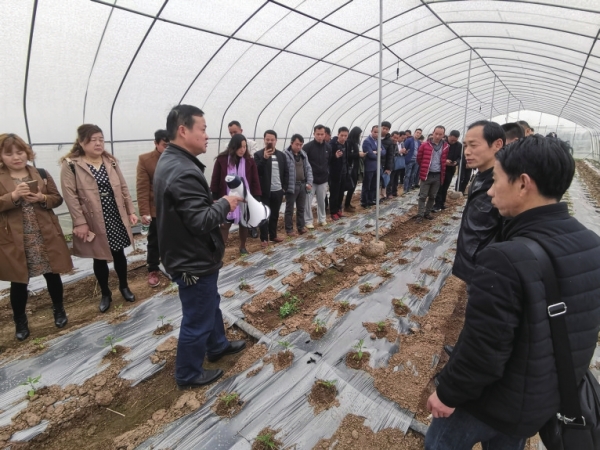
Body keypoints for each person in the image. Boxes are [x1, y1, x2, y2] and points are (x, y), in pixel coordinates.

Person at [425, 135, 600, 450]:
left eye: (495, 180)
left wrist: (447, 394)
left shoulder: (506, 258)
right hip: (540, 402)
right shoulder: (592, 245)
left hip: (490, 404)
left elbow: (484, 350)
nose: (490, 190)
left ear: (523, 184)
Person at [154, 104, 246, 388]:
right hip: (191, 259)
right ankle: (188, 373)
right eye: (203, 129)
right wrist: (225, 202)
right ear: (183, 131)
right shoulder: (182, 170)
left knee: (209, 304)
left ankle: (217, 345)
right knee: (197, 318)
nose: (207, 136)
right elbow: (199, 220)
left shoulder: (173, 161)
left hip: (188, 254)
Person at [0, 133, 72, 341]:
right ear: (2, 156)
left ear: (27, 152)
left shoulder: (40, 173)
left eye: (20, 151)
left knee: (52, 274)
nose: (16, 157)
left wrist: (42, 198)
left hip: (43, 235)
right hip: (16, 239)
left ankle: (59, 310)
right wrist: (12, 197)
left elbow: (57, 199)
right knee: (19, 281)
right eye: (9, 153)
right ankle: (20, 321)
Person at [61, 124, 138, 313]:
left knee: (119, 253)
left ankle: (124, 286)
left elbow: (123, 187)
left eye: (101, 139)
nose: (98, 143)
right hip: (93, 218)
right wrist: (80, 222)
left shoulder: (110, 162)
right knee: (99, 257)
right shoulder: (72, 164)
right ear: (81, 142)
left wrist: (130, 211)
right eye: (93, 140)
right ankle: (105, 293)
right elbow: (70, 196)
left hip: (114, 215)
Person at [452, 120, 505, 286]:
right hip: (474, 266)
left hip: (488, 271)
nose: (467, 152)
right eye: (465, 146)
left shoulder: (503, 185)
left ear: (497, 144)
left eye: (473, 145)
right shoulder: (480, 177)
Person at [210, 134, 261, 255]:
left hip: (244, 198)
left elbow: (255, 180)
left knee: (244, 223)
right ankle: (220, 251)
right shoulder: (222, 160)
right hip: (226, 197)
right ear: (233, 147)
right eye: (240, 147)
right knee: (224, 225)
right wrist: (215, 197)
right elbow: (215, 179)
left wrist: (256, 198)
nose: (242, 150)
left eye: (244, 147)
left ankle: (242, 247)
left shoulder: (249, 161)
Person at [136, 129, 169, 287]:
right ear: (156, 143)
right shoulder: (145, 160)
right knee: (154, 240)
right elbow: (142, 189)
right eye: (164, 145)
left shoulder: (177, 157)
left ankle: (172, 265)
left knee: (173, 238)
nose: (167, 148)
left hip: (174, 209)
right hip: (156, 209)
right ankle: (153, 268)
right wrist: (145, 212)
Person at [254, 130, 288, 248]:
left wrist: (284, 188)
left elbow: (285, 172)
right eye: (267, 139)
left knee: (274, 214)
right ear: (264, 140)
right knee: (264, 215)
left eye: (272, 140)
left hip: (278, 190)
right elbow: (257, 172)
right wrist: (264, 159)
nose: (269, 142)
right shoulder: (258, 155)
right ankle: (264, 238)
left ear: (276, 141)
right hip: (265, 191)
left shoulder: (281, 155)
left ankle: (273, 235)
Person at [415, 126, 449, 221]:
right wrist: (425, 168)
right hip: (427, 175)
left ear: (443, 135)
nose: (437, 136)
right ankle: (420, 215)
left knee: (433, 196)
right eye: (436, 133)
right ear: (433, 133)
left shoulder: (445, 146)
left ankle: (427, 213)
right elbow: (419, 159)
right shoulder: (425, 145)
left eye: (440, 134)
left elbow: (443, 160)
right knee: (423, 196)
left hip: (438, 175)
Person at [284, 134, 313, 236]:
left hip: (302, 185)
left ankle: (301, 227)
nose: (299, 147)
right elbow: (283, 171)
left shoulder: (303, 155)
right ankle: (289, 229)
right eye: (297, 144)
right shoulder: (285, 155)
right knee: (289, 209)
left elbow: (308, 169)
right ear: (291, 143)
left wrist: (309, 182)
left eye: (301, 145)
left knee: (301, 208)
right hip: (291, 186)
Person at [303, 125, 330, 228]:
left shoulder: (328, 147)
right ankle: (308, 221)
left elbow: (329, 161)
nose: (320, 136)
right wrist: (307, 179)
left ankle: (322, 219)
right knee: (308, 202)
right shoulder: (308, 147)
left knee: (321, 201)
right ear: (314, 134)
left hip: (323, 179)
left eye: (322, 134)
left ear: (325, 135)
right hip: (311, 180)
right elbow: (304, 164)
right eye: (317, 134)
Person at [433, 130, 461, 212]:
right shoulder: (442, 143)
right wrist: (444, 161)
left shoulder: (459, 146)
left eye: (455, 140)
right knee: (439, 187)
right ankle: (437, 204)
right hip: (441, 168)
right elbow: (436, 156)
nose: (453, 142)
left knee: (445, 187)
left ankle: (442, 203)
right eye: (452, 140)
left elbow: (460, 157)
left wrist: (456, 162)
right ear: (449, 136)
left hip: (451, 169)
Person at [328, 127, 349, 221]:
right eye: (342, 135)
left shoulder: (346, 144)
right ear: (338, 135)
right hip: (334, 173)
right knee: (334, 193)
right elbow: (328, 159)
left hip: (344, 172)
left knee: (341, 192)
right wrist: (335, 156)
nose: (343, 138)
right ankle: (333, 212)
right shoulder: (332, 145)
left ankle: (338, 210)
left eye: (345, 136)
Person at [361, 125, 382, 208]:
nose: (376, 134)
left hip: (377, 166)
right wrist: (377, 152)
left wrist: (376, 152)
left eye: (378, 132)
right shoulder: (367, 141)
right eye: (375, 132)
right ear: (371, 131)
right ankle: (364, 202)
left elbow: (384, 151)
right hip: (369, 167)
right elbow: (370, 154)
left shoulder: (378, 141)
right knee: (367, 185)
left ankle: (371, 200)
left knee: (374, 184)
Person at [342, 126, 362, 211]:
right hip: (351, 167)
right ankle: (345, 205)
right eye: (359, 134)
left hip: (355, 167)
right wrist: (358, 154)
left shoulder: (355, 143)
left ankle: (348, 203)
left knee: (353, 186)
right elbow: (348, 155)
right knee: (350, 186)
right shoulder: (349, 142)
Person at [387, 131, 407, 197]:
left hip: (399, 164)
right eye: (401, 138)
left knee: (396, 178)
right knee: (391, 179)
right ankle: (389, 193)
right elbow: (391, 153)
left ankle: (394, 191)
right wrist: (399, 152)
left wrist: (404, 152)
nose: (402, 140)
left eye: (404, 139)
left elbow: (402, 152)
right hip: (393, 163)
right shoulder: (392, 144)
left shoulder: (402, 144)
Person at [403, 128, 422, 194]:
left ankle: (410, 187)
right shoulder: (409, 140)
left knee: (413, 174)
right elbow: (404, 149)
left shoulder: (419, 142)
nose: (418, 134)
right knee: (407, 175)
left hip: (416, 161)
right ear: (414, 132)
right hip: (409, 160)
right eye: (417, 132)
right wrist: (405, 152)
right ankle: (405, 189)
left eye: (420, 133)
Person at [380, 121, 395, 201]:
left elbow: (390, 155)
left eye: (387, 129)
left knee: (383, 181)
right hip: (375, 164)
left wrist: (388, 167)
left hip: (383, 164)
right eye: (383, 128)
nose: (384, 130)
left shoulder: (389, 141)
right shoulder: (376, 138)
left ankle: (382, 196)